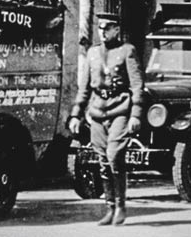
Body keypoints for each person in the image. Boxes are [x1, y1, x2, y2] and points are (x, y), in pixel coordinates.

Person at [68, 13, 144, 225]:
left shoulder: (127, 51)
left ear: (116, 29)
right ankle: (110, 208)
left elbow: (137, 85)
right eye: (100, 27)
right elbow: (85, 88)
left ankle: (120, 206)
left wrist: (135, 114)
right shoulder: (93, 53)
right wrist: (76, 114)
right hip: (98, 112)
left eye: (108, 27)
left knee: (114, 156)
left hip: (120, 109)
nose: (103, 31)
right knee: (102, 160)